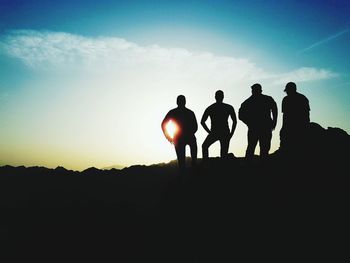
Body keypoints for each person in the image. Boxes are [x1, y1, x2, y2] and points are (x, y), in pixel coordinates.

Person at [239, 83, 277, 160]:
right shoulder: (267, 99)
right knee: (259, 148)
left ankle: (253, 166)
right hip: (261, 127)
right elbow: (274, 109)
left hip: (259, 128)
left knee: (256, 148)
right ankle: (258, 166)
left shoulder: (248, 102)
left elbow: (241, 115)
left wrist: (249, 123)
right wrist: (274, 121)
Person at [162, 95, 198, 170]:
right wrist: (168, 137)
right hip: (181, 137)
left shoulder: (174, 112)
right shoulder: (189, 112)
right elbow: (195, 126)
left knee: (183, 161)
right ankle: (189, 172)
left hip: (182, 137)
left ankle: (190, 171)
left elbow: (195, 126)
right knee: (182, 161)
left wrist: (168, 137)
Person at [201, 90, 237, 160]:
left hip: (216, 132)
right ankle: (207, 164)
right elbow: (234, 121)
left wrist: (209, 132)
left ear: (215, 97)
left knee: (205, 146)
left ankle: (206, 164)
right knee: (223, 153)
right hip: (224, 132)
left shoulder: (211, 108)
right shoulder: (228, 107)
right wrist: (231, 133)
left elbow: (202, 122)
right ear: (223, 97)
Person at [280, 82, 310, 153]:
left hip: (296, 127)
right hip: (299, 126)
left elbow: (285, 115)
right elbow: (307, 114)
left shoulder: (286, 99)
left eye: (287, 90)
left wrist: (284, 128)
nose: (286, 92)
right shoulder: (302, 98)